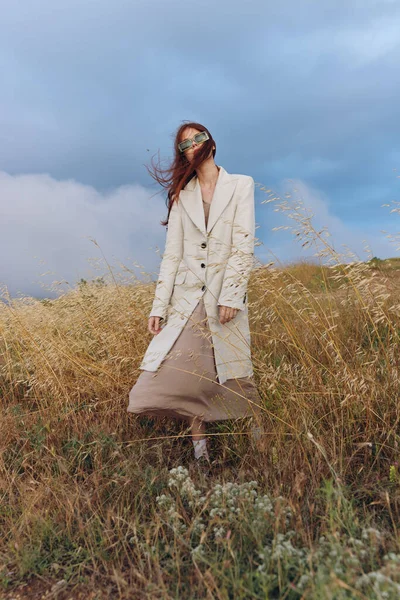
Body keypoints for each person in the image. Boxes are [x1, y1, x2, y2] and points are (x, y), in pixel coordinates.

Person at [127, 121, 263, 470]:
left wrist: (231, 295)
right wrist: (159, 306)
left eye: (198, 138)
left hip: (224, 298)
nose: (193, 145)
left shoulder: (240, 185)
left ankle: (260, 444)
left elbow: (243, 243)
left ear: (212, 143)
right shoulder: (181, 195)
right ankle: (200, 455)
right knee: (188, 375)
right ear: (182, 152)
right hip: (187, 301)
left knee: (235, 373)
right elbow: (172, 255)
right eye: (185, 143)